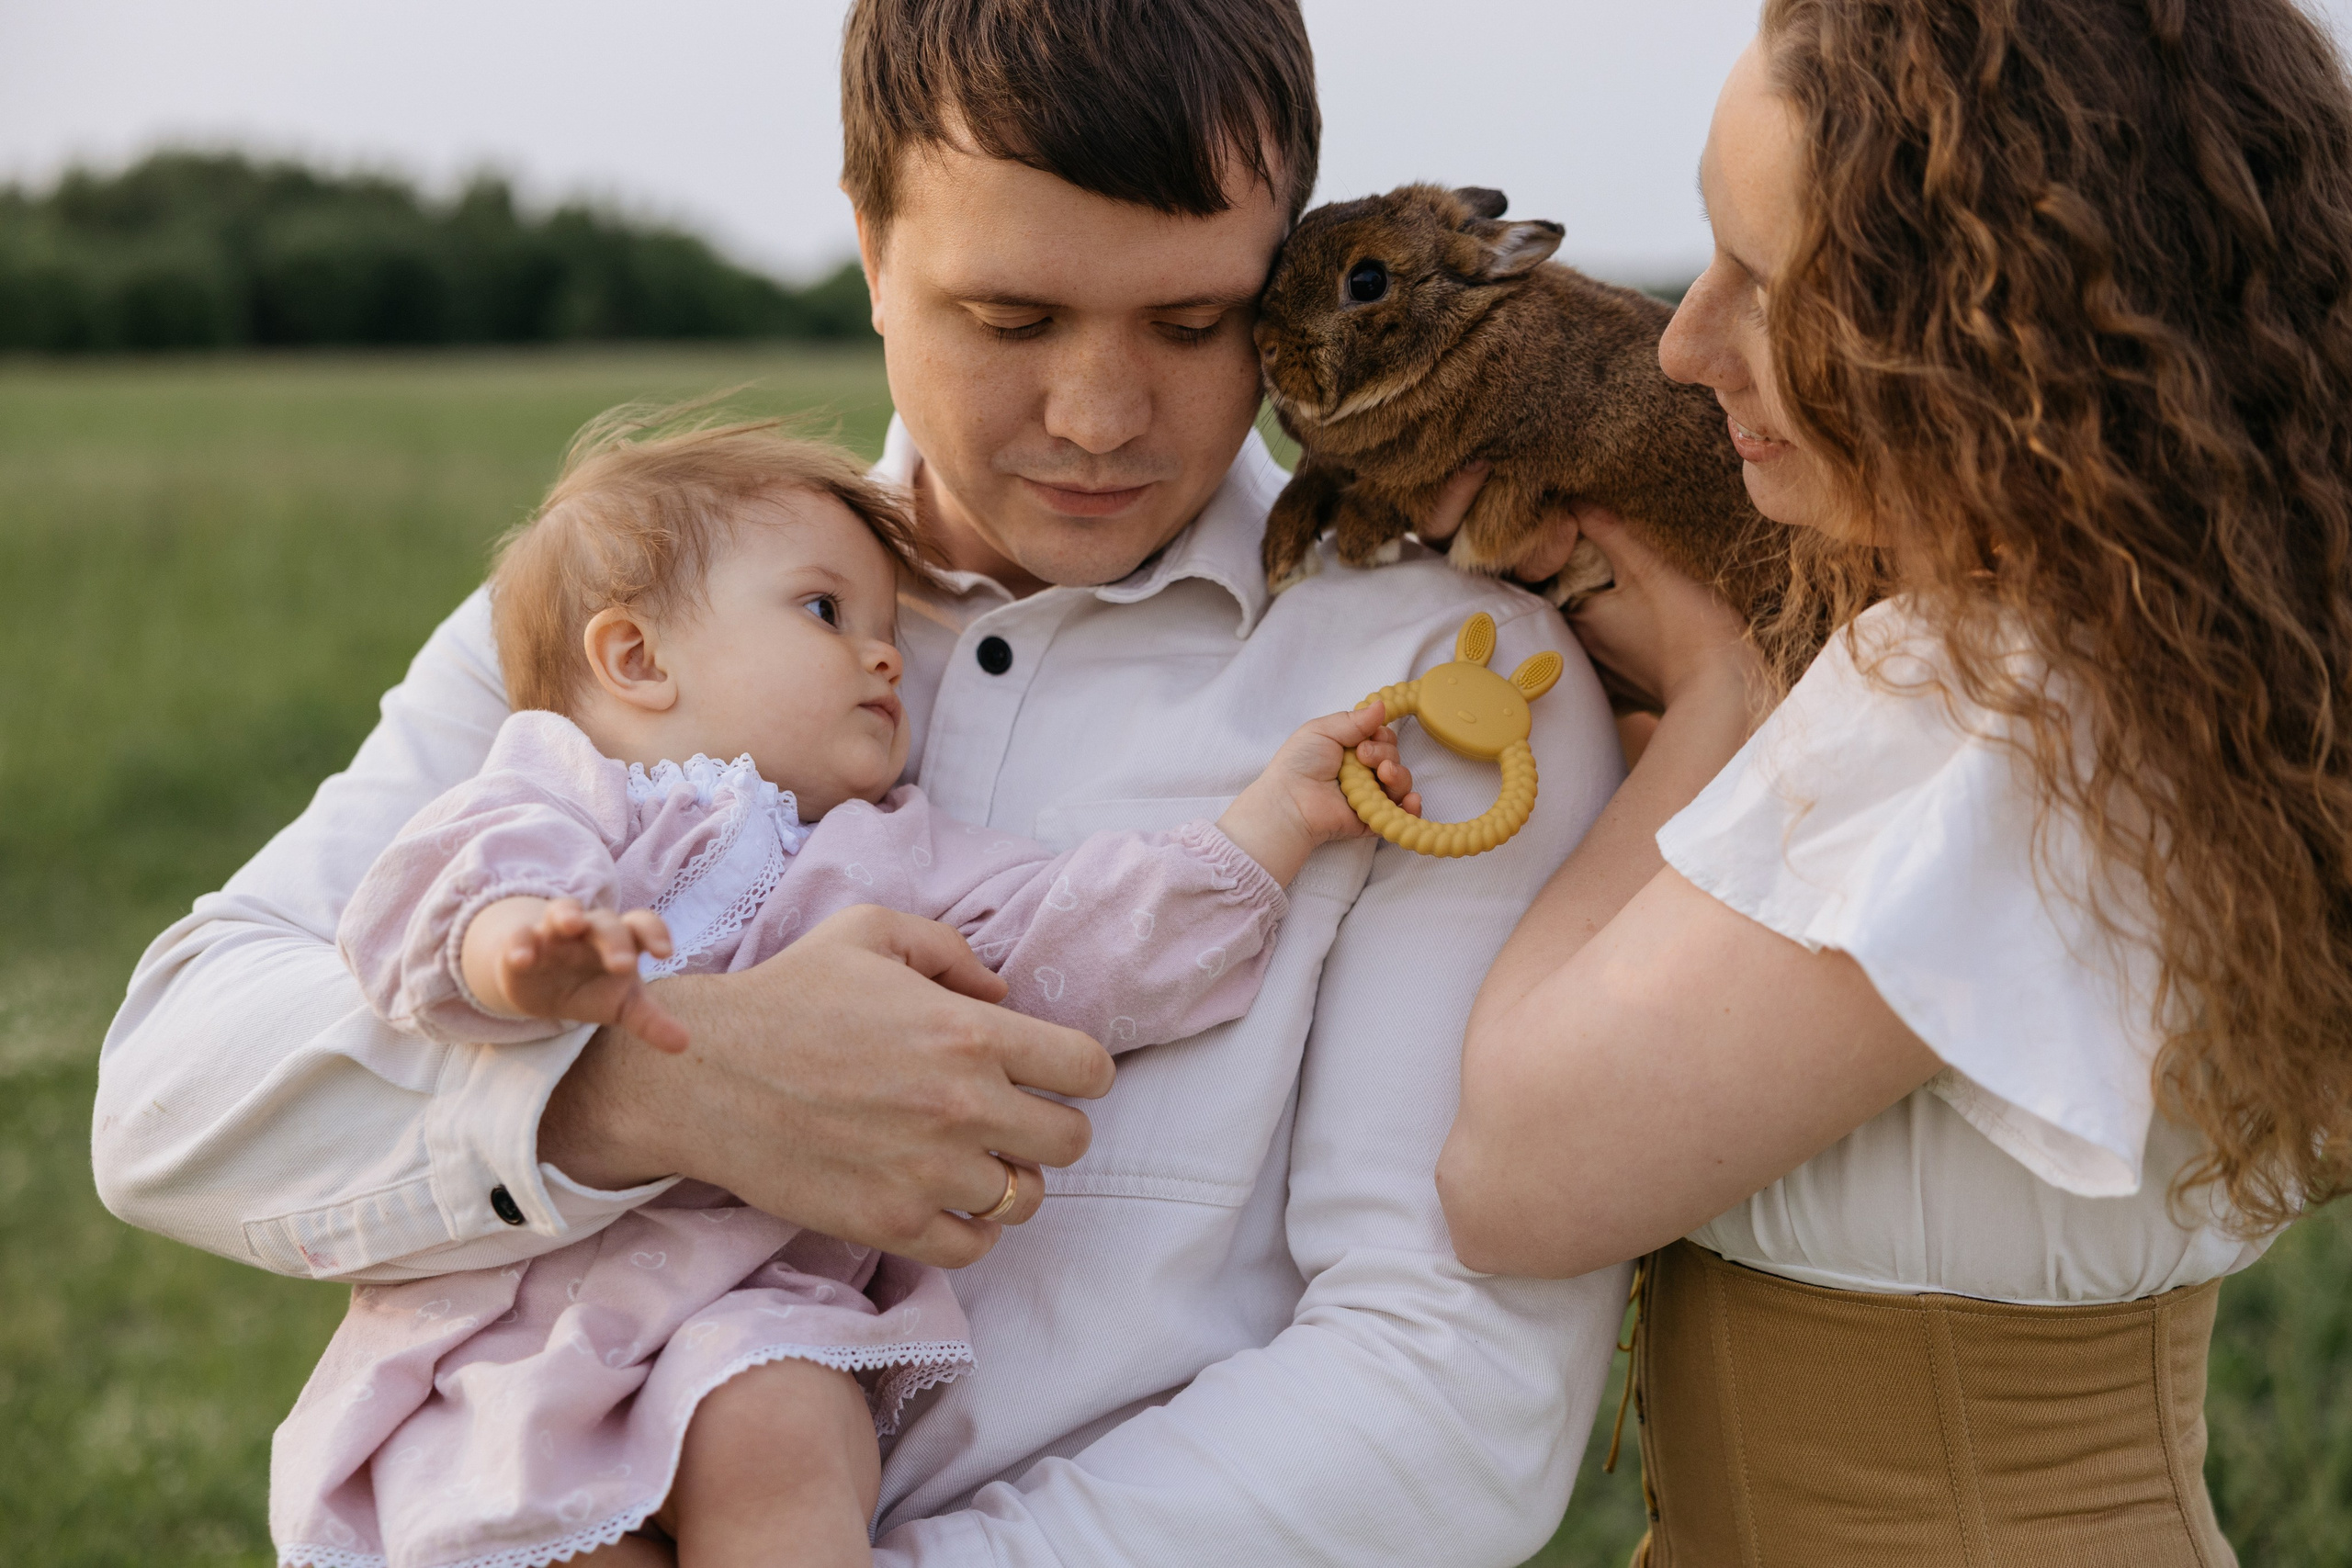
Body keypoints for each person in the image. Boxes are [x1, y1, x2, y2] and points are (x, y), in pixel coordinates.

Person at [95, 3, 1633, 1562]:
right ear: (868, 242)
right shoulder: (643, 621)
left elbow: (1449, 1391)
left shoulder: (1446, 693)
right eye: (1012, 317)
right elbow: (176, 1092)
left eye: (1191, 323)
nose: (1100, 418)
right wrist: (647, 1092)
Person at [1435, 1, 2352, 1562]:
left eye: (1763, 283)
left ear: (1988, 332)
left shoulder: (1988, 713)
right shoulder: (2186, 665)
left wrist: (1720, 689)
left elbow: (1514, 1170)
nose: (1681, 341)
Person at [273, 413, 1428, 1568]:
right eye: (827, 613)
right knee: (504, 1514)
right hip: (517, 1323)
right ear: (635, 658)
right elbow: (431, 892)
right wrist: (518, 951)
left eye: (887, 629)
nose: (884, 657)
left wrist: (1268, 830)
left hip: (756, 1310)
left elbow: (1067, 938)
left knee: (783, 1433)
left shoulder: (898, 851)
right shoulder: (561, 792)